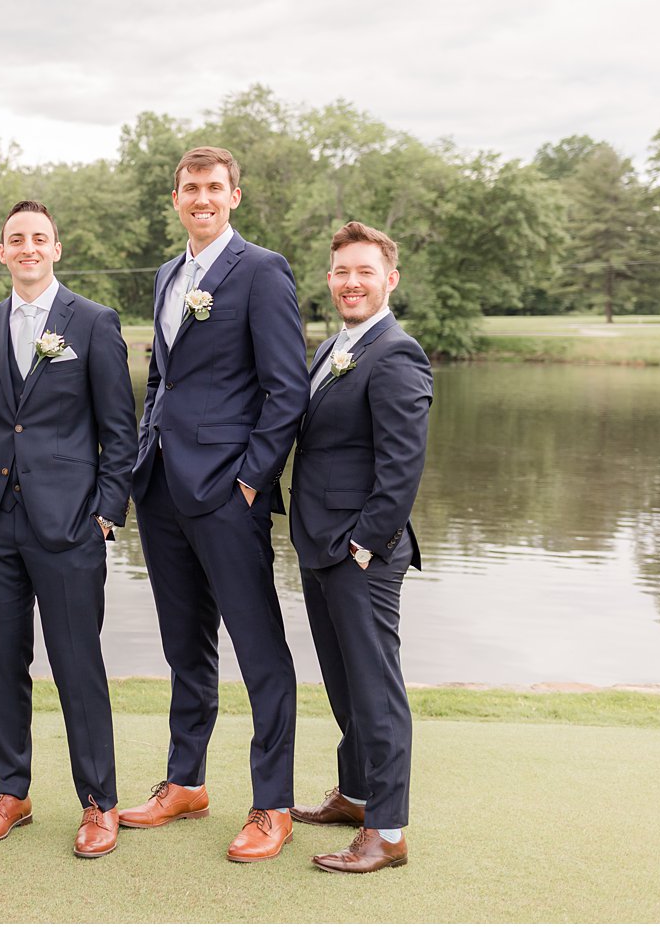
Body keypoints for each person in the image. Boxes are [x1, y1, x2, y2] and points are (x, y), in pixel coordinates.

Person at [122, 146, 310, 863]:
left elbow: (285, 388)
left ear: (234, 195)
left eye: (213, 187)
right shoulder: (171, 273)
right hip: (164, 489)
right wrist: (147, 453)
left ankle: (272, 803)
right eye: (189, 187)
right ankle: (186, 780)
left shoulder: (260, 270)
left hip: (229, 492)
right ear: (176, 198)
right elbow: (162, 379)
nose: (201, 197)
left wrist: (251, 481)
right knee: (185, 645)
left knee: (258, 648)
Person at [0, 201, 137, 859]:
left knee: (77, 664)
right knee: (1, 662)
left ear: (55, 248)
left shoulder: (93, 321)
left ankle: (99, 802)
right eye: (15, 239)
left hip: (70, 523)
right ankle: (10, 792)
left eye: (38, 238)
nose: (27, 247)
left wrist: (106, 514)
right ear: (2, 251)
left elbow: (121, 432)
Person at [289, 220, 431, 874]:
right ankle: (354, 794)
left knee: (375, 691)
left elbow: (402, 466)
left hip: (358, 552)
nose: (351, 282)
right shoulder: (333, 346)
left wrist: (365, 545)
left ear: (390, 279)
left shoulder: (396, 352)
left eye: (364, 272)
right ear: (330, 279)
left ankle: (389, 829)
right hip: (320, 543)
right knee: (345, 687)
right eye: (342, 272)